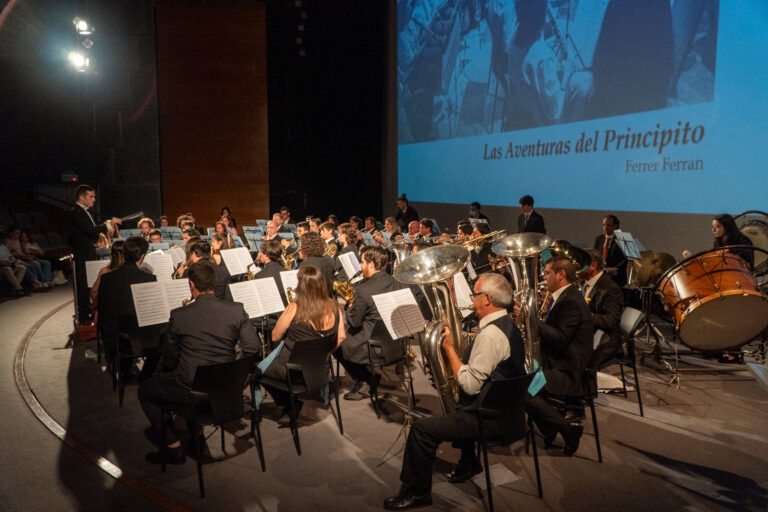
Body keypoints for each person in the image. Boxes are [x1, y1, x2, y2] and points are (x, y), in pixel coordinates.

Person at [383, 273, 525, 510]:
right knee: (459, 406)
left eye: (474, 294)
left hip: (489, 420)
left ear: (487, 299)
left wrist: (449, 349)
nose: (471, 298)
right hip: (511, 414)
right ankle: (469, 462)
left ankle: (416, 492)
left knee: (421, 429)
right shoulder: (508, 324)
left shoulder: (491, 335)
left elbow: (469, 385)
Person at [138, 260, 260, 464]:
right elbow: (253, 348)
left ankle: (174, 447)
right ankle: (196, 432)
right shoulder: (236, 310)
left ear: (191, 285)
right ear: (214, 283)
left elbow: (170, 360)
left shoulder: (179, 315)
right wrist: (234, 371)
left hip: (192, 392)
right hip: (227, 390)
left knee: (145, 391)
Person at [528, 256, 594, 456]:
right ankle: (550, 427)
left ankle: (566, 429)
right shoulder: (565, 296)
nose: (544, 277)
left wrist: (531, 321)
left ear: (561, 275)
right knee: (522, 376)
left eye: (547, 273)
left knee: (523, 388)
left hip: (570, 371)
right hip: (559, 362)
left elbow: (560, 339)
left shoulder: (571, 301)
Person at [262, 265, 346, 423]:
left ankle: (290, 403)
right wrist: (323, 352)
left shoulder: (295, 307)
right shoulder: (334, 306)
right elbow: (341, 336)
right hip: (320, 371)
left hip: (292, 373)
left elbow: (275, 336)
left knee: (257, 371)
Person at [69, 184, 122, 323]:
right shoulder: (76, 211)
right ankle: (84, 315)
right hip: (82, 253)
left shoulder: (85, 212)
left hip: (88, 251)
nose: (94, 199)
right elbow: (89, 230)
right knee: (82, 284)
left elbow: (91, 231)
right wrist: (109, 224)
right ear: (82, 197)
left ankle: (88, 312)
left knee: (87, 282)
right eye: (91, 196)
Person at [581, 249, 624, 369]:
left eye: (581, 264)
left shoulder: (610, 288)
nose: (576, 268)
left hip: (605, 339)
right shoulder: (584, 282)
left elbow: (611, 321)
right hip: (589, 333)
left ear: (593, 266)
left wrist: (587, 315)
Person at [298, 232, 336, 298]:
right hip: (327, 300)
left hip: (314, 301)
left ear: (306, 246)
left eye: (301, 244)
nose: (299, 247)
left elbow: (305, 290)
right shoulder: (326, 260)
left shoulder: (306, 264)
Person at [593, 215, 627, 286]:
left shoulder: (621, 239)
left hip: (616, 278)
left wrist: (615, 270)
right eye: (604, 225)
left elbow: (625, 259)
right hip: (600, 276)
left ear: (615, 226)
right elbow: (594, 255)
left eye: (608, 225)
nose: (605, 227)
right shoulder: (599, 239)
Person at [89, 241, 124, 308]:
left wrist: (98, 306)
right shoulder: (131, 271)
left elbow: (94, 291)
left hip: (108, 308)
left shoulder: (104, 271)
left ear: (111, 254)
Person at [0, 228, 29, 297]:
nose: (2, 240)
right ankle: (19, 289)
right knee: (8, 269)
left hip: (8, 265)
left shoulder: (3, 246)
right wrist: (7, 263)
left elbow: (10, 256)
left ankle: (14, 290)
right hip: (2, 268)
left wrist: (15, 261)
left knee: (22, 267)